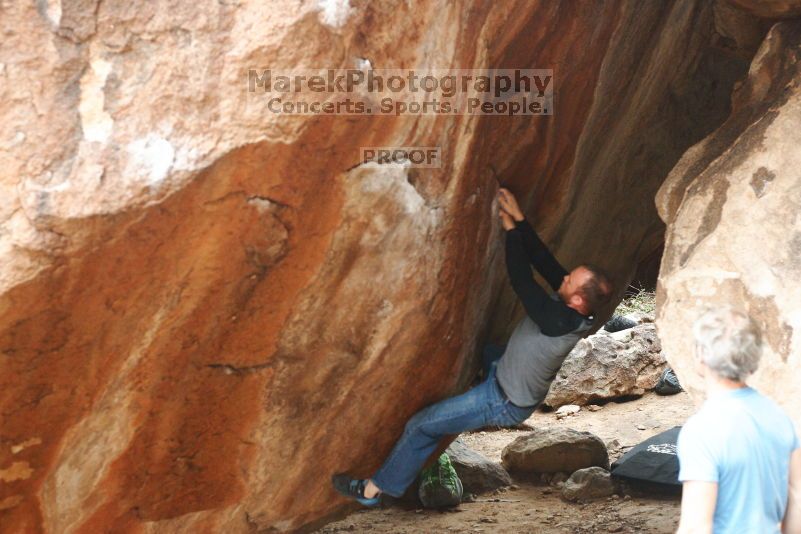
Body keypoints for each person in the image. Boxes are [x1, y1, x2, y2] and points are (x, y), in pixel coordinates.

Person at [331, 188, 613, 506]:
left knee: (422, 425)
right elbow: (545, 263)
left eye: (569, 281)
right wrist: (520, 221)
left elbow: (522, 280)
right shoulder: (578, 305)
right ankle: (482, 380)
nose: (563, 279)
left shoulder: (559, 321)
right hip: (503, 369)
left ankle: (374, 490)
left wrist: (509, 232)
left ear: (576, 300)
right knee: (489, 351)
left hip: (503, 400)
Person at [676, 307, 801, 534]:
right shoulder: (782, 419)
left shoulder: (701, 431)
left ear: (701, 354)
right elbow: (796, 501)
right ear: (753, 358)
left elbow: (696, 527)